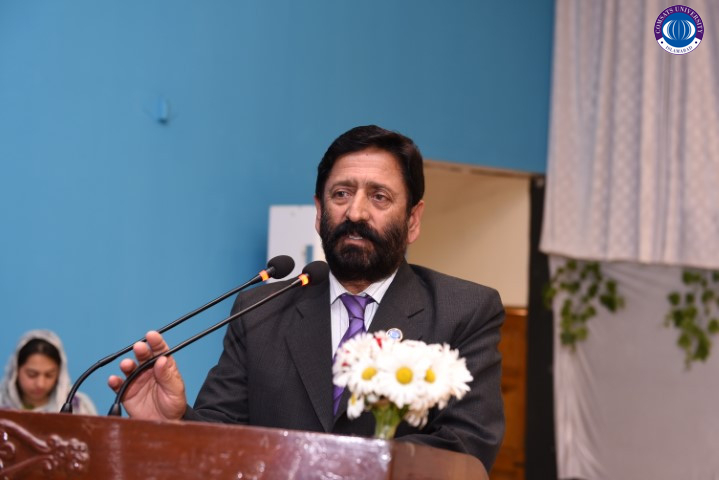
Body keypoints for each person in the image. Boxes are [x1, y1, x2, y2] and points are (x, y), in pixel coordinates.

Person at [108, 125, 505, 470]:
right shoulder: (260, 311)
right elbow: (221, 436)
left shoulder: (462, 311)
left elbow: (465, 446)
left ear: (413, 220)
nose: (356, 212)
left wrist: (330, 466)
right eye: (341, 194)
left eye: (379, 197)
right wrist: (175, 421)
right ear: (318, 212)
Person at [0, 329, 97, 414]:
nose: (40, 384)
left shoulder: (78, 407)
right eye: (32, 374)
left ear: (59, 373)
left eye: (49, 375)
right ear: (16, 370)